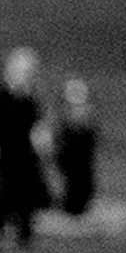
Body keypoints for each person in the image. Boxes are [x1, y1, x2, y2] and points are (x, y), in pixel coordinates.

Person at [0, 46, 52, 249]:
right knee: (2, 193)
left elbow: (37, 125)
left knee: (27, 193)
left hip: (26, 155)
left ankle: (25, 235)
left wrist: (43, 146)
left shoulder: (29, 98)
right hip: (4, 154)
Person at [54, 77, 100, 216]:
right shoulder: (64, 115)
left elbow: (92, 139)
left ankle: (76, 209)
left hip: (83, 161)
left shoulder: (88, 114)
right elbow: (60, 139)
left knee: (84, 188)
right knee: (72, 189)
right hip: (69, 161)